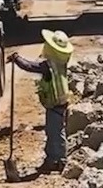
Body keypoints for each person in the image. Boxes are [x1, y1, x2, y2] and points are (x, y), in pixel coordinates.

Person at [8, 29, 73, 173]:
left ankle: (60, 160)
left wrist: (17, 59)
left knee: (55, 132)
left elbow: (30, 66)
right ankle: (52, 159)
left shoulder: (48, 66)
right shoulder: (60, 63)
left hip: (56, 104)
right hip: (60, 102)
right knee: (53, 131)